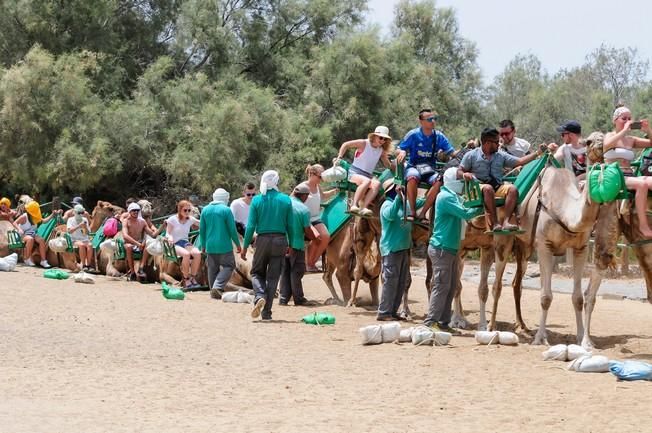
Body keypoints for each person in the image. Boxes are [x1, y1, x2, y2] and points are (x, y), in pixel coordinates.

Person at [423, 167, 484, 332]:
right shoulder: (445, 197)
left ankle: (443, 322)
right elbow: (466, 213)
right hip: (441, 248)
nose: (462, 182)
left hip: (449, 248)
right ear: (451, 180)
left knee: (451, 286)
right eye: (459, 179)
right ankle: (431, 322)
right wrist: (482, 206)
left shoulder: (453, 196)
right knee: (441, 286)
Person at [459, 127, 545, 231]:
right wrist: (465, 175)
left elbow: (520, 161)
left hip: (496, 187)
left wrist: (538, 153)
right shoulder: (471, 155)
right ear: (487, 143)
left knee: (512, 189)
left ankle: (506, 222)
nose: (499, 144)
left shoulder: (500, 155)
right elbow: (459, 171)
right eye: (496, 142)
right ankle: (495, 223)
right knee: (488, 188)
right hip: (478, 188)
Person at [241, 170, 293, 321]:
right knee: (273, 277)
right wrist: (290, 243)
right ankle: (267, 312)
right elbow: (290, 225)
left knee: (256, 273)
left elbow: (250, 226)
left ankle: (259, 296)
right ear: (276, 181)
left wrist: (244, 247)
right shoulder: (285, 200)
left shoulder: (257, 200)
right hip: (280, 240)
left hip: (262, 240)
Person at [396, 108, 456, 223]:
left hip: (430, 170)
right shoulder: (413, 134)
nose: (433, 121)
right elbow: (398, 149)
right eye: (429, 119)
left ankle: (423, 213)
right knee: (412, 177)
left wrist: (467, 151)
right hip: (414, 167)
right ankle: (412, 212)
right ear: (421, 121)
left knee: (440, 180)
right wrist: (402, 152)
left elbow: (452, 153)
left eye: (434, 119)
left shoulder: (439, 136)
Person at [604, 105, 652, 238]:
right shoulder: (610, 136)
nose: (627, 121)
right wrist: (624, 130)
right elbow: (607, 145)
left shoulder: (631, 140)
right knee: (641, 185)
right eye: (623, 118)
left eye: (630, 119)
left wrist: (648, 130)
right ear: (615, 120)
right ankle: (643, 226)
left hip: (630, 175)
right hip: (615, 175)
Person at [333, 125, 395, 217]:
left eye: (385, 139)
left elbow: (387, 164)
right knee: (367, 181)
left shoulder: (381, 151)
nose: (382, 141)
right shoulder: (363, 143)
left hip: (367, 175)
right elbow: (345, 145)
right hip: (354, 173)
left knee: (377, 184)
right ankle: (354, 205)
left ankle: (363, 208)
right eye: (381, 138)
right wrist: (339, 157)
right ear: (374, 136)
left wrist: (395, 166)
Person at [376, 180, 412, 321]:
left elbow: (419, 203)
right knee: (390, 281)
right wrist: (398, 197)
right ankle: (384, 312)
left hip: (403, 247)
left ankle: (393, 311)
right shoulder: (386, 205)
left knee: (401, 281)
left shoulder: (404, 204)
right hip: (391, 248)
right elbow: (391, 215)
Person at [279, 183, 317, 306]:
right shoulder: (303, 209)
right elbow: (307, 229)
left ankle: (283, 298)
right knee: (297, 270)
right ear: (304, 196)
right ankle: (298, 298)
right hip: (296, 244)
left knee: (285, 270)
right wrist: (315, 239)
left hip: (282, 243)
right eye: (307, 197)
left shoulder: (283, 204)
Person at [200, 188, 241, 299]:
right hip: (224, 246)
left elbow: (202, 230)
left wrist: (203, 245)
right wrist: (238, 244)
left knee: (212, 269)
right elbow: (232, 230)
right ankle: (217, 287)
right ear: (225, 198)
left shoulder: (205, 210)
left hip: (210, 246)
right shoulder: (226, 210)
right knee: (229, 266)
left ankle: (213, 291)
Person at [300, 164, 338, 272]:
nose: (321, 179)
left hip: (316, 218)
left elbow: (323, 196)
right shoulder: (303, 187)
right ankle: (309, 263)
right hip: (305, 219)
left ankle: (311, 262)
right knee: (317, 237)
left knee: (326, 236)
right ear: (312, 174)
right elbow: (293, 200)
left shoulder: (317, 186)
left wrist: (334, 191)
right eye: (320, 177)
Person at [165, 200, 202, 289]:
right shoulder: (172, 219)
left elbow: (202, 224)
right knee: (186, 254)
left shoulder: (190, 219)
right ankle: (186, 279)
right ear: (180, 209)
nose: (187, 212)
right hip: (175, 243)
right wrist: (170, 238)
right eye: (185, 210)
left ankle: (193, 277)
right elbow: (168, 233)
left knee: (197, 253)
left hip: (185, 242)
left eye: (189, 210)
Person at [12, 201, 60, 268]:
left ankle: (43, 261)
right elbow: (14, 223)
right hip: (22, 234)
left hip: (32, 233)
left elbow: (44, 221)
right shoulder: (24, 217)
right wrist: (19, 229)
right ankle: (27, 258)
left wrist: (52, 215)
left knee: (42, 240)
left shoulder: (36, 216)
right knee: (30, 239)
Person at [122, 202, 157, 282]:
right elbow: (125, 236)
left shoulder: (142, 221)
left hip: (140, 242)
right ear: (130, 211)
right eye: (134, 210)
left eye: (137, 210)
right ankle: (132, 272)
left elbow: (152, 234)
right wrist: (137, 244)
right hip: (130, 243)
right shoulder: (126, 221)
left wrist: (162, 227)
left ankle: (141, 268)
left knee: (148, 245)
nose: (136, 212)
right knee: (129, 247)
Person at [67, 204, 94, 271]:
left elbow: (87, 233)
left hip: (84, 239)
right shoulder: (70, 220)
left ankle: (89, 265)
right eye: (79, 213)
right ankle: (84, 265)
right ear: (75, 212)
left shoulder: (84, 219)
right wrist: (79, 226)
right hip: (74, 240)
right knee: (81, 245)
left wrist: (85, 227)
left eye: (82, 212)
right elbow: (69, 231)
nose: (81, 214)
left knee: (90, 245)